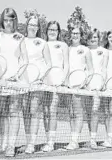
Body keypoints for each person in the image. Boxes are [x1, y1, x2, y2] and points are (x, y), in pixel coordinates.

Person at [0, 8, 28, 157]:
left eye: (11, 20)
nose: (8, 23)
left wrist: (17, 75)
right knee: (3, 113)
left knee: (14, 113)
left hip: (16, 81)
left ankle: (11, 146)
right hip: (1, 81)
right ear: (2, 20)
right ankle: (3, 144)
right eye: (6, 20)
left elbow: (25, 59)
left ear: (15, 21)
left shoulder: (20, 37)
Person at [23, 16, 52, 154]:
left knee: (34, 111)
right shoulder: (21, 41)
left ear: (38, 27)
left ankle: (32, 144)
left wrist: (40, 77)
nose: (33, 27)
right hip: (22, 83)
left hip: (38, 83)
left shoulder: (42, 43)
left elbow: (49, 64)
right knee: (25, 112)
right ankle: (28, 141)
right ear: (27, 25)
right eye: (30, 24)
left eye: (35, 25)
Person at [41, 21, 69, 152]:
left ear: (58, 32)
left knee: (52, 111)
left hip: (57, 81)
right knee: (45, 112)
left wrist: (63, 79)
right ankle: (47, 140)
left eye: (55, 30)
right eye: (50, 29)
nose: (52, 32)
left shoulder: (63, 45)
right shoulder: (42, 43)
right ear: (46, 31)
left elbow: (66, 64)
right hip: (44, 81)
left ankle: (51, 142)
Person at [65, 26, 93, 150]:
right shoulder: (67, 48)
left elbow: (91, 69)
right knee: (71, 113)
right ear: (70, 35)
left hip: (79, 86)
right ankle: (73, 139)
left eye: (77, 33)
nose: (75, 35)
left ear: (81, 35)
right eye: (73, 33)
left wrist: (85, 82)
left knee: (78, 112)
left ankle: (75, 141)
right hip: (67, 86)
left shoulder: (85, 49)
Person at [86, 28, 109, 149]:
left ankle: (93, 139)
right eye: (91, 37)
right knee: (87, 113)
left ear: (98, 38)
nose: (93, 39)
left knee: (95, 111)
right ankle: (91, 137)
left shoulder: (104, 51)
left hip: (97, 85)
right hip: (85, 85)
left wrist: (103, 82)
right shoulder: (84, 50)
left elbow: (104, 68)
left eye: (95, 37)